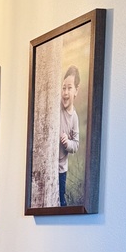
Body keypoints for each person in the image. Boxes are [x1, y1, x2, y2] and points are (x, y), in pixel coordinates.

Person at [59, 65, 80, 206]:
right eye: (63, 88)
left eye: (69, 88)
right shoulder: (57, 106)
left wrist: (67, 143)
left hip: (61, 168)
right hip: (48, 163)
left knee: (60, 200)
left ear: (76, 91)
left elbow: (76, 144)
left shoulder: (74, 117)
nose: (65, 92)